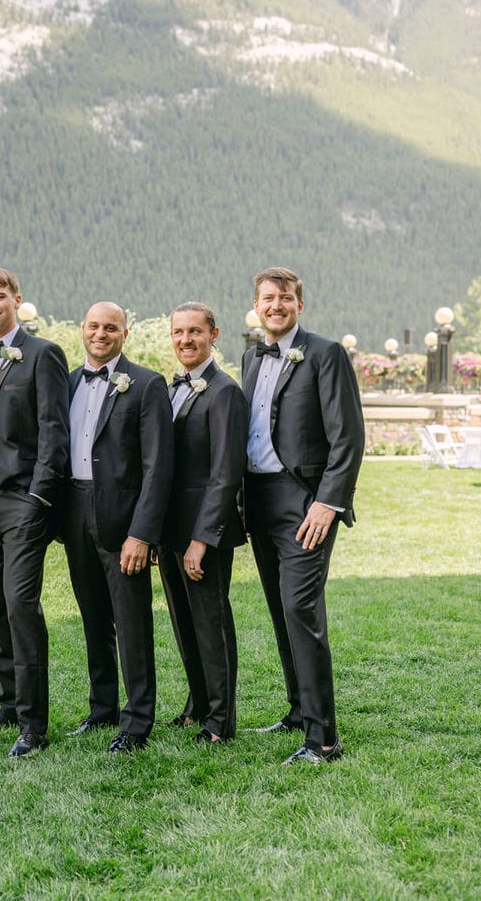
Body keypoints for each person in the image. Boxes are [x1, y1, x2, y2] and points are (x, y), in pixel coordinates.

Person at [242, 266, 364, 765]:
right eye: (268, 298)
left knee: (301, 610)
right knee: (278, 609)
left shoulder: (325, 354)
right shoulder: (250, 358)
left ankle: (324, 740)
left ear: (300, 305)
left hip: (306, 504)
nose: (276, 306)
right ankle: (298, 710)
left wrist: (326, 502)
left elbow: (348, 437)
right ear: (256, 304)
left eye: (285, 298)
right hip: (259, 502)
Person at [0, 267, 69, 759]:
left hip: (24, 501)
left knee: (21, 605)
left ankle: (33, 724)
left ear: (16, 300)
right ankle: (7, 704)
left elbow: (54, 430)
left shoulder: (43, 354)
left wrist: (39, 497)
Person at [60, 301, 173, 754]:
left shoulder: (146, 384)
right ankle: (102, 708)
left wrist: (141, 533)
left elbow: (158, 466)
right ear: (81, 330)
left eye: (111, 328)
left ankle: (137, 719)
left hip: (124, 521)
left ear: (125, 334)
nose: (101, 334)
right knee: (92, 617)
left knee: (131, 620)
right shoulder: (66, 382)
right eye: (93, 326)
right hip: (74, 512)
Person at [158, 303, 246, 744]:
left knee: (211, 624)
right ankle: (196, 706)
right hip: (169, 530)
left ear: (214, 335)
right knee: (184, 622)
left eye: (195, 332)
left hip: (203, 533)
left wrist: (201, 540)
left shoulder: (224, 391)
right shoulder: (174, 388)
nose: (185, 340)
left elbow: (225, 473)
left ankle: (220, 721)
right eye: (178, 332)